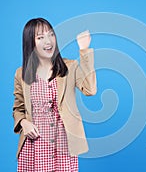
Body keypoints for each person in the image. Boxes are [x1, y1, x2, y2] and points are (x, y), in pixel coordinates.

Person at [12, 17, 96, 172]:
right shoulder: (21, 74)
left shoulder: (69, 67)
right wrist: (23, 122)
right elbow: (18, 108)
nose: (48, 41)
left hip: (63, 144)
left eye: (51, 34)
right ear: (30, 42)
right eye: (40, 37)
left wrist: (84, 50)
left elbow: (90, 89)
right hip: (33, 146)